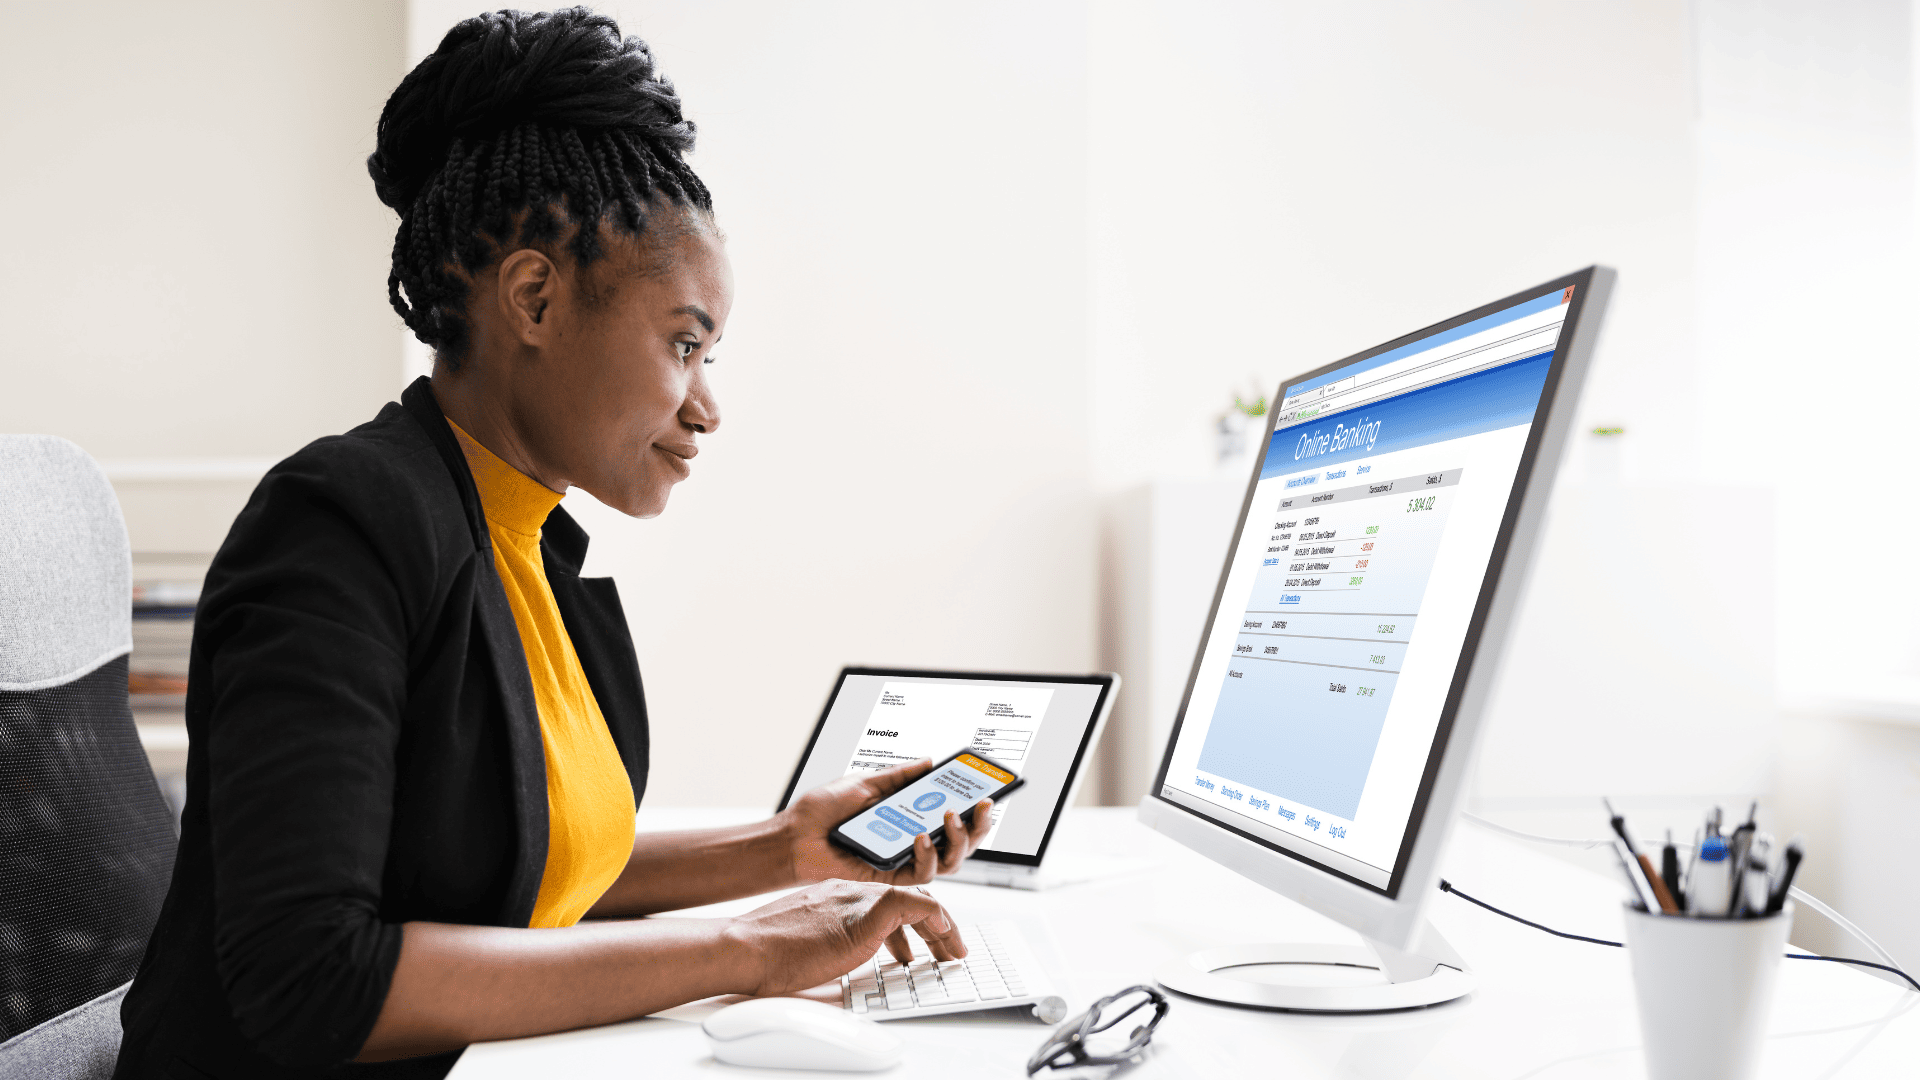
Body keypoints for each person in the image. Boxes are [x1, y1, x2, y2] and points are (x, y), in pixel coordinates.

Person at [113, 9, 993, 1077]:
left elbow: (498, 861)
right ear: (533, 297)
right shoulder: (342, 521)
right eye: (685, 343)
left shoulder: (519, 540)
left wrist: (783, 851)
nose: (706, 403)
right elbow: (308, 977)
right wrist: (749, 949)